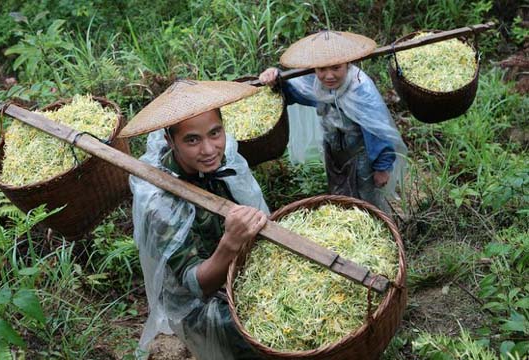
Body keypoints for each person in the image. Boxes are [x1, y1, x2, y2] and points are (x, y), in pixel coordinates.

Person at [126, 80, 269, 359]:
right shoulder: (161, 202)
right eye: (192, 140)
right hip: (201, 305)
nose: (208, 149)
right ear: (170, 141)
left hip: (240, 272)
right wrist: (230, 243)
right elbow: (196, 285)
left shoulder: (223, 158)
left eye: (215, 133)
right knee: (260, 334)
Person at [259, 30, 407, 214]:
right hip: (334, 149)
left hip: (362, 153)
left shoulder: (361, 89)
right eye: (322, 69)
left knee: (367, 197)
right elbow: (291, 90)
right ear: (315, 68)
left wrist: (382, 167)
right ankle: (347, 223)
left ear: (348, 64)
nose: (329, 76)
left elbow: (376, 129)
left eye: (336, 68)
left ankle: (380, 227)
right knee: (340, 194)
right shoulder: (315, 83)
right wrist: (274, 77)